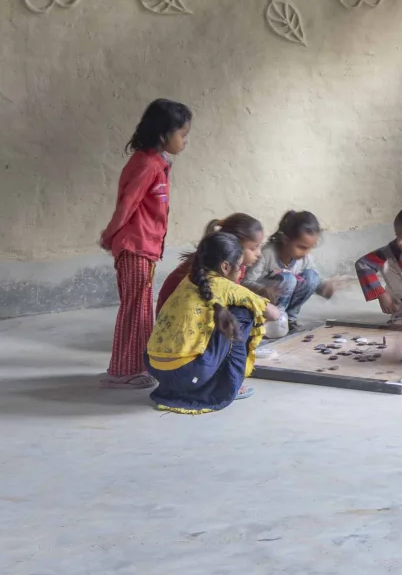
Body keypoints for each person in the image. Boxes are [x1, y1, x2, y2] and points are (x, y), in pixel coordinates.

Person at [97, 98, 191, 390]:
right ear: (164, 134)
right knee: (135, 309)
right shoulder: (146, 165)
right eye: (183, 134)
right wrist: (110, 235)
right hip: (134, 247)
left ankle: (130, 367)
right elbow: (127, 204)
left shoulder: (157, 164)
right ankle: (126, 371)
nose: (185, 141)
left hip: (145, 248)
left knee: (139, 307)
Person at [146, 229, 275, 414]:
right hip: (187, 375)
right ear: (225, 267)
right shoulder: (226, 287)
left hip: (156, 370)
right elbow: (273, 314)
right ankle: (227, 385)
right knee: (244, 312)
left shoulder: (187, 280)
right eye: (239, 266)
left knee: (221, 317)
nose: (240, 271)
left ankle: (190, 385)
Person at [246, 210, 338, 338]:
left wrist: (326, 288)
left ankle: (289, 320)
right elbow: (245, 282)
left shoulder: (305, 258)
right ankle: (272, 322)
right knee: (288, 279)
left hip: (283, 302)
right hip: (265, 304)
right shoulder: (267, 253)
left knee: (312, 277)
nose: (306, 253)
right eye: (301, 247)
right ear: (285, 240)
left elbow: (315, 281)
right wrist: (261, 289)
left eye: (309, 248)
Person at [156, 214, 266, 310]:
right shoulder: (210, 272)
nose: (259, 254)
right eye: (253, 248)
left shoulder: (231, 266)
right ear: (233, 245)